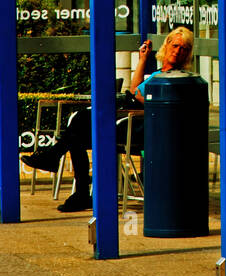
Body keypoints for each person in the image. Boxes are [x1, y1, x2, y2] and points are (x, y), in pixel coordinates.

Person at [21, 27, 194, 212]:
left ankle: (64, 172)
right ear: (167, 45)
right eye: (175, 46)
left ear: (187, 54)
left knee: (80, 123)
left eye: (183, 48)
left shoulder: (178, 78)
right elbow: (136, 89)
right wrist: (143, 59)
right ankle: (75, 186)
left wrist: (142, 99)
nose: (178, 51)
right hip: (126, 117)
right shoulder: (156, 74)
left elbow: (155, 103)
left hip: (136, 125)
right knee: (78, 127)